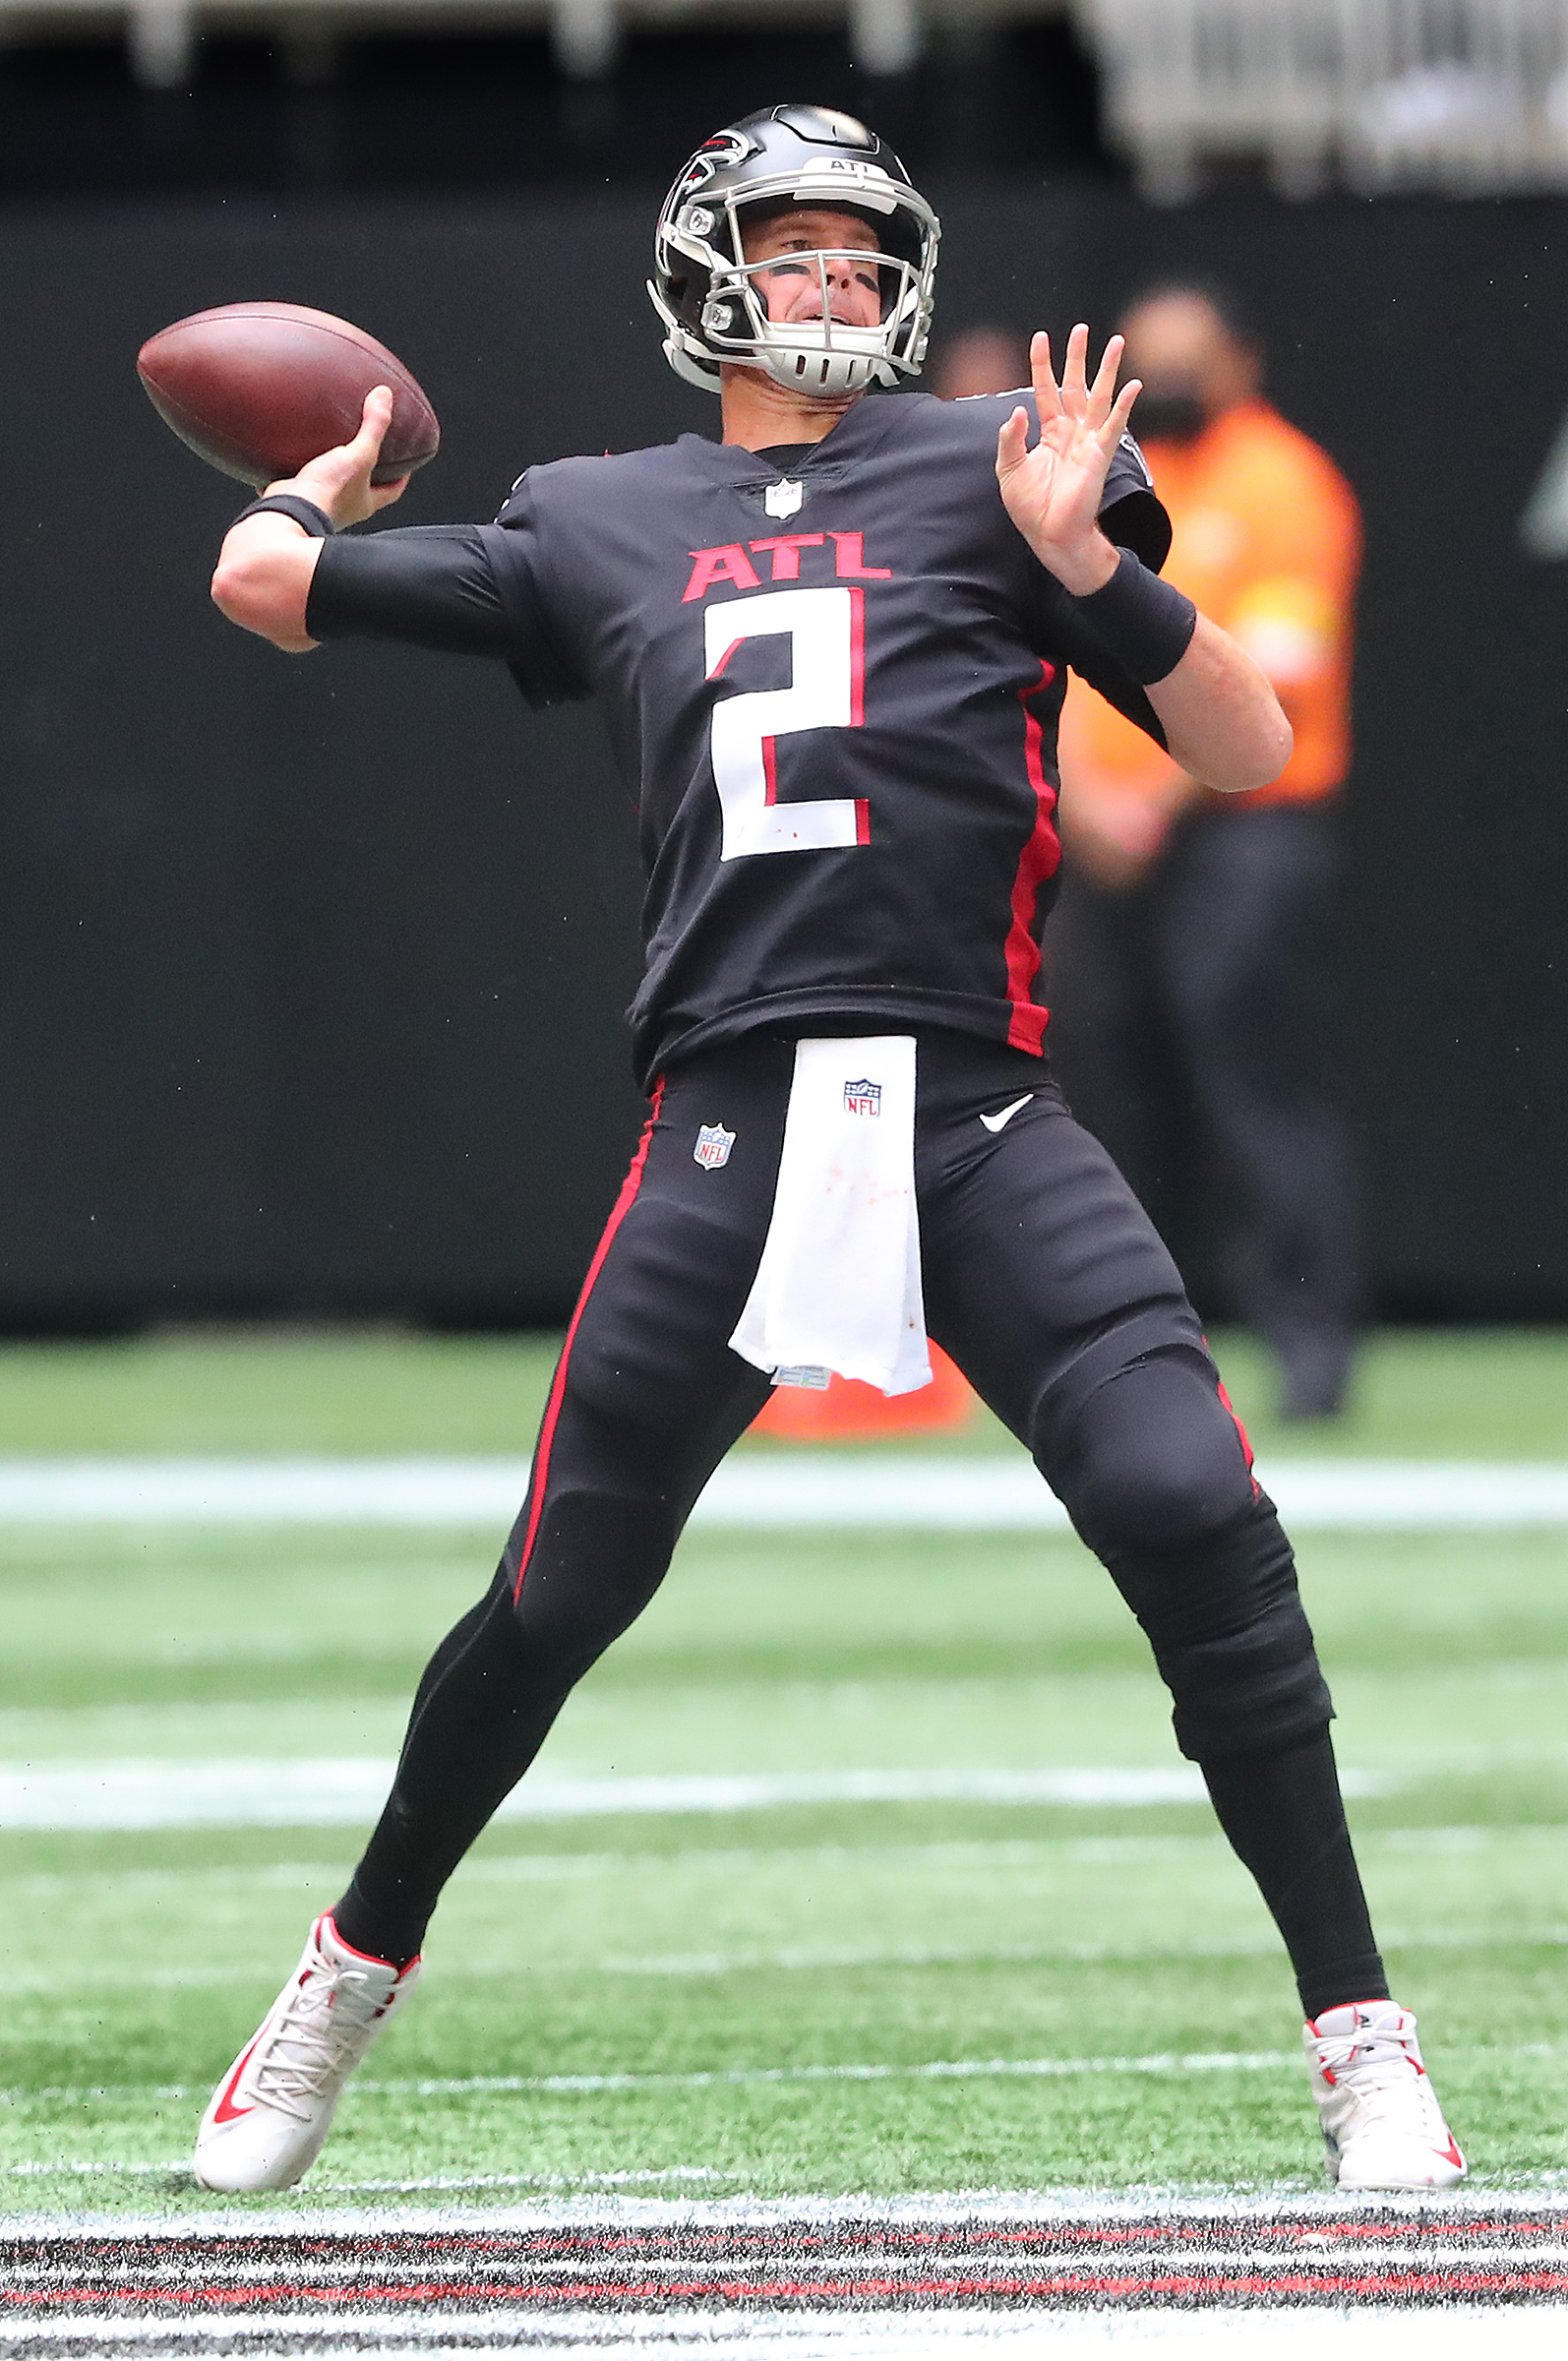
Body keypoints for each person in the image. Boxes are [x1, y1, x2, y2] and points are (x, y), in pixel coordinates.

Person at [191, 105, 1461, 2197]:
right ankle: (339, 1975)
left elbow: (1239, 748)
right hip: (727, 1120)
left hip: (974, 1105)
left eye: (866, 257)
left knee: (1193, 1510)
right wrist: (315, 479)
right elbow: (269, 588)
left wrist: (1087, 573)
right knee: (556, 1590)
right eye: (796, 251)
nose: (839, 288)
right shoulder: (601, 514)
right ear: (706, 273)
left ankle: (1359, 2034)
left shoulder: (1000, 470)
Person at [1050, 286, 1363, 1420]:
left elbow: (1278, 671)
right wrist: (1085, 797)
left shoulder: (1282, 482)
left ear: (1240, 359)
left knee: (1254, 1084)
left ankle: (1305, 1349)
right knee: (1094, 1095)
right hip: (1099, 840)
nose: (1171, 378)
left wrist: (1152, 801)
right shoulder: (1121, 483)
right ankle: (1125, 1348)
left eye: (1190, 357)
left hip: (1241, 831)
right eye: (1153, 358)